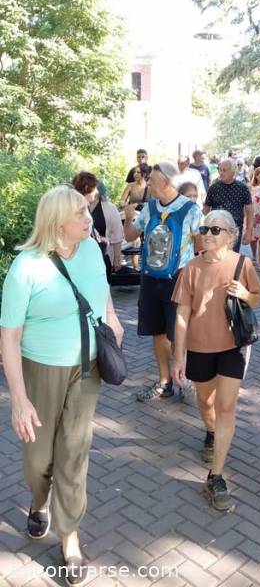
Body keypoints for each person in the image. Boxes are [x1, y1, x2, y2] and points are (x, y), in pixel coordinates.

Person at [0, 185, 123, 587]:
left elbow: (101, 290)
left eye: (88, 211)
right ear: (57, 222)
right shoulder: (26, 267)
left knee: (74, 450)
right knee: (38, 459)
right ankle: (39, 501)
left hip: (87, 367)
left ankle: (69, 536)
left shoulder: (91, 250)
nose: (90, 217)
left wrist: (111, 315)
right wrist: (19, 399)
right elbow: (9, 337)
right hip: (40, 370)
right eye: (81, 213)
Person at [171, 210, 260, 511]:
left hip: (234, 345)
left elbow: (257, 296)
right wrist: (178, 356)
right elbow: (181, 315)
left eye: (215, 229)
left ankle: (217, 476)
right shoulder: (191, 268)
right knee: (205, 402)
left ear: (231, 236)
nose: (207, 234)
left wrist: (245, 294)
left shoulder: (242, 264)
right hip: (200, 346)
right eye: (204, 229)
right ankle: (210, 431)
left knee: (226, 407)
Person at [123, 161, 202, 401]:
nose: (148, 184)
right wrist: (128, 218)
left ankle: (183, 379)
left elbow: (201, 247)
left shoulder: (190, 209)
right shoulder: (149, 207)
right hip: (150, 278)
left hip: (178, 279)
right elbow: (130, 235)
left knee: (178, 333)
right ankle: (164, 382)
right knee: (157, 332)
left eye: (153, 180)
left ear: (166, 182)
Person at [72, 172, 123, 282]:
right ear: (87, 188)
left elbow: (117, 235)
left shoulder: (110, 208)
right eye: (95, 188)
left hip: (102, 257)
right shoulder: (74, 208)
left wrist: (117, 258)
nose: (97, 191)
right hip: (80, 259)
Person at [203, 159, 253, 253]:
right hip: (216, 229)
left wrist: (248, 231)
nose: (221, 172)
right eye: (220, 169)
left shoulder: (242, 188)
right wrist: (204, 227)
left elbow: (250, 211)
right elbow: (206, 209)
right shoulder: (214, 188)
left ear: (233, 171)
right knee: (216, 255)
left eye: (224, 170)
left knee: (232, 256)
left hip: (234, 230)